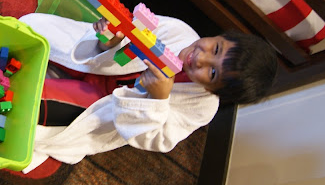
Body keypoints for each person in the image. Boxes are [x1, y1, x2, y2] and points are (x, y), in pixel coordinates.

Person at [17, 12, 277, 173]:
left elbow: (157, 139)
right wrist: (109, 41)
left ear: (213, 90)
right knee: (33, 29)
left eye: (212, 73)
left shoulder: (201, 108)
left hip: (105, 103)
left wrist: (158, 100)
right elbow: (126, 35)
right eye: (216, 48)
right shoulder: (178, 31)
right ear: (220, 36)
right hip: (98, 66)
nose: (201, 58)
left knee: (31, 104)